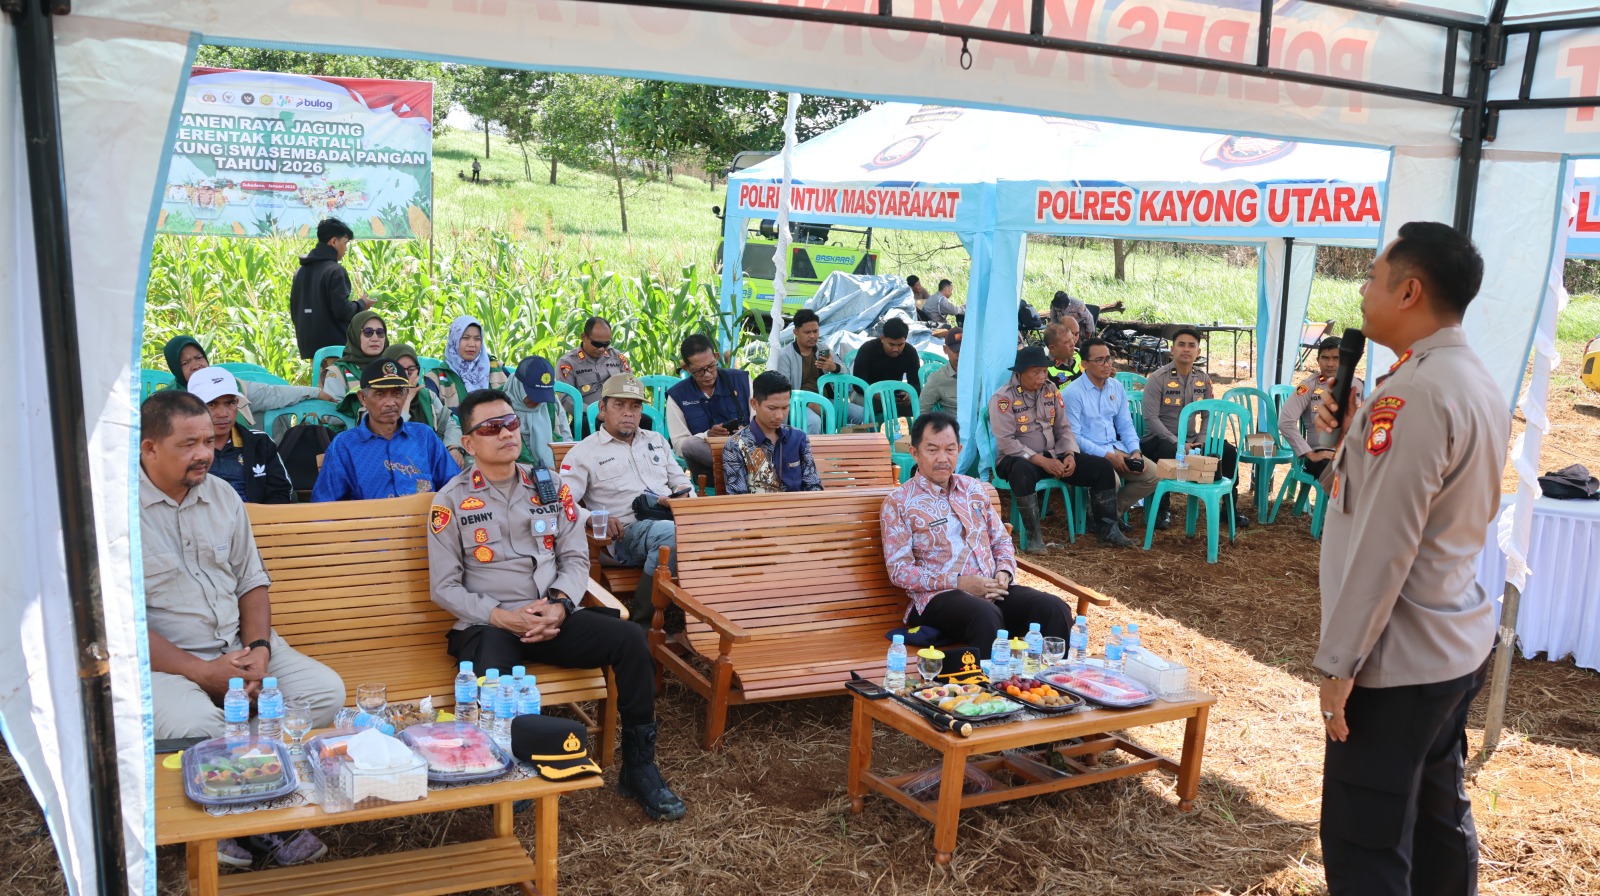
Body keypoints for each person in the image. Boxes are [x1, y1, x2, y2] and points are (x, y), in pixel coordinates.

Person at [1313, 222, 1508, 896]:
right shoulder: (1468, 377)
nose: (1363, 292)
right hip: (1451, 640)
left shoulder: (1416, 393)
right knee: (1435, 819)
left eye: (1373, 278)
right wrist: (1350, 436)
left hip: (1397, 659)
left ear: (1409, 292)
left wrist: (1340, 663)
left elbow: (1385, 544)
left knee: (1365, 843)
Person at [428, 389, 685, 821]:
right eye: (491, 428)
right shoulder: (450, 501)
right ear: (468, 443)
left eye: (511, 423)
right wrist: (502, 616)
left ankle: (639, 767)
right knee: (491, 673)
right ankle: (508, 770)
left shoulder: (549, 487)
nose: (506, 433)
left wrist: (561, 604)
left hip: (553, 614)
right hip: (491, 623)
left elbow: (575, 557)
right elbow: (444, 587)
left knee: (629, 639)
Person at [140, 390, 344, 867]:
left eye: (208, 442)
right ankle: (249, 820)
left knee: (323, 694)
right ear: (149, 448)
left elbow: (252, 583)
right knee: (199, 725)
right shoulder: (114, 514)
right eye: (188, 444)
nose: (205, 454)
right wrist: (204, 673)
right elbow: (118, 625)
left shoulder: (221, 495)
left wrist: (258, 652)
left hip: (239, 644)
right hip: (166, 663)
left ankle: (247, 791)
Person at [881, 411, 1076, 651]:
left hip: (992, 591)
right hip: (937, 598)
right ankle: (987, 676)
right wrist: (959, 583)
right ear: (914, 453)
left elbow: (1001, 541)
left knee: (1053, 608)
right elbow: (900, 571)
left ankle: (1054, 673)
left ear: (959, 450)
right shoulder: (899, 503)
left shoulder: (973, 489)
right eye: (932, 450)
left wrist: (1004, 572)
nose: (942, 458)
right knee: (985, 615)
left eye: (950, 449)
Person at [561, 375, 693, 622]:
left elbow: (681, 481)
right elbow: (562, 502)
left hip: (672, 516)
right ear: (602, 409)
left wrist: (682, 497)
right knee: (671, 535)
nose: (628, 413)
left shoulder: (656, 441)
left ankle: (709, 619)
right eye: (619, 405)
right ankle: (642, 622)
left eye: (635, 406)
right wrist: (592, 518)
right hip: (625, 534)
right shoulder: (584, 452)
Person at [991, 345, 1134, 549]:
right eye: (1036, 372)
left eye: (1044, 371)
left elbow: (1063, 428)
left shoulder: (1050, 390)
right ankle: (1034, 539)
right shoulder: (1003, 398)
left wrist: (1069, 454)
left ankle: (1108, 531)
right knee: (1021, 471)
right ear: (1020, 372)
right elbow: (1006, 441)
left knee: (1102, 467)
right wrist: (1041, 461)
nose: (1042, 376)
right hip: (1019, 459)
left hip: (1053, 456)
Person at [1140, 327, 1249, 528]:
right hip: (1159, 439)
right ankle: (1162, 509)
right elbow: (1150, 418)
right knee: (1167, 451)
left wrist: (1202, 439)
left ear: (1198, 352)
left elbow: (1208, 413)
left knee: (1227, 451)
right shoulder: (1158, 378)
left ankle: (1229, 507)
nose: (1186, 349)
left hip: (1192, 439)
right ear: (1172, 349)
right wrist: (1177, 443)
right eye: (1181, 344)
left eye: (1191, 346)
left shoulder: (1203, 378)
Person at [311, 358, 460, 501]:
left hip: (423, 518)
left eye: (397, 393)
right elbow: (324, 504)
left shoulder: (424, 437)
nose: (390, 403)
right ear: (363, 398)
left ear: (406, 395)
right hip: (371, 520)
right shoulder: (344, 446)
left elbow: (455, 488)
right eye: (380, 394)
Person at [1063, 339, 1162, 523]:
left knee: (1154, 475)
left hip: (1114, 446)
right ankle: (1103, 518)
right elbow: (1074, 437)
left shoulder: (1116, 386)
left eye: (1108, 358)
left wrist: (1135, 451)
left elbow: (1125, 424)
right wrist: (1108, 456)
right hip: (1087, 451)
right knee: (1111, 479)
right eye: (1099, 360)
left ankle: (1110, 515)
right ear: (1085, 364)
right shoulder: (1072, 393)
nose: (1107, 364)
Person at [188, 368, 293, 504]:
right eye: (211, 404)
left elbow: (280, 491)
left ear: (237, 403)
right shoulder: (180, 448)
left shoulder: (260, 443)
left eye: (230, 403)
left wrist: (257, 514)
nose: (223, 414)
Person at [162, 335, 329, 422]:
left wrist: (315, 392)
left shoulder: (231, 386)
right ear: (175, 368)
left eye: (199, 357)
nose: (196, 365)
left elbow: (272, 394)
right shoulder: (167, 401)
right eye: (185, 363)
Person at [665, 334, 752, 488]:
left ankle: (739, 469)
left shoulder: (741, 380)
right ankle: (739, 469)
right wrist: (707, 436)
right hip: (708, 465)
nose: (707, 374)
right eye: (699, 371)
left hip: (745, 449)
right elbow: (679, 446)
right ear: (686, 368)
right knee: (689, 445)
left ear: (716, 357)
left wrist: (744, 432)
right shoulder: (677, 396)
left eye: (711, 366)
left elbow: (760, 421)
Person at [722, 372, 822, 495]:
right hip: (758, 507)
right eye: (772, 408)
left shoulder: (798, 438)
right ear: (754, 404)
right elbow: (737, 497)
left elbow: (813, 485)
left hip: (799, 506)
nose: (779, 416)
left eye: (785, 408)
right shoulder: (736, 445)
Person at [1279, 336, 1364, 479]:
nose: (1330, 364)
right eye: (1325, 358)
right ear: (1318, 360)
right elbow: (1285, 422)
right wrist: (1310, 453)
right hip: (1323, 454)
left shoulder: (1357, 385)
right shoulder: (1308, 386)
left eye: (1336, 358)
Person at [290, 217, 373, 360]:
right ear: (333, 241)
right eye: (345, 243)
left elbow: (294, 309)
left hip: (310, 347)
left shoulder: (300, 271)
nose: (345, 249)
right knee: (336, 375)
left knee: (319, 376)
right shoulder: (335, 271)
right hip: (334, 348)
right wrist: (361, 304)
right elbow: (342, 310)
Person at [382, 343, 465, 468]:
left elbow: (449, 423)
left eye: (411, 370)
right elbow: (390, 436)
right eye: (400, 370)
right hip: (394, 464)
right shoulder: (379, 400)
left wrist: (454, 447)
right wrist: (406, 400)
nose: (406, 375)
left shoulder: (427, 395)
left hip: (430, 461)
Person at [503, 355, 574, 467]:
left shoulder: (550, 403)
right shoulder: (500, 404)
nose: (538, 402)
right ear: (519, 385)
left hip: (551, 466)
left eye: (542, 396)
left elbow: (565, 435)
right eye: (533, 395)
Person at [431, 314, 506, 413]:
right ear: (454, 339)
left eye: (477, 339)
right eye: (465, 338)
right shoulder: (437, 376)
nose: (472, 344)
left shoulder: (495, 366)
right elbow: (431, 413)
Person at [557, 316, 632, 413]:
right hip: (588, 415)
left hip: (621, 413)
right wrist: (594, 413)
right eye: (597, 344)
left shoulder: (616, 356)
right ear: (584, 337)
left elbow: (631, 383)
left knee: (647, 419)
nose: (601, 349)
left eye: (606, 344)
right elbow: (566, 399)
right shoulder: (568, 363)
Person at [852, 317, 921, 416]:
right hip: (868, 394)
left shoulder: (910, 352)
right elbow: (858, 384)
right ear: (882, 338)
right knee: (862, 407)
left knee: (919, 406)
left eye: (900, 345)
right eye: (891, 344)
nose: (895, 349)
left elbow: (916, 383)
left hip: (895, 397)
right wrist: (877, 394)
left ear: (905, 340)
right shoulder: (867, 349)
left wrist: (909, 394)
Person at [320, 308, 391, 402]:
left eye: (380, 332)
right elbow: (333, 410)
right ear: (355, 335)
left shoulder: (391, 368)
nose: (375, 338)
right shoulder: (338, 372)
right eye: (368, 332)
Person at [919, 327, 962, 419]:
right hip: (958, 426)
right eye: (956, 351)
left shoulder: (982, 374)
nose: (961, 355)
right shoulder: (938, 379)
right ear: (945, 349)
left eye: (965, 350)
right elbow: (922, 411)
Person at [1044, 319, 1083, 386]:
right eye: (1066, 342)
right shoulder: (1045, 371)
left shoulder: (1078, 355)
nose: (1072, 344)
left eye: (1071, 339)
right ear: (1052, 348)